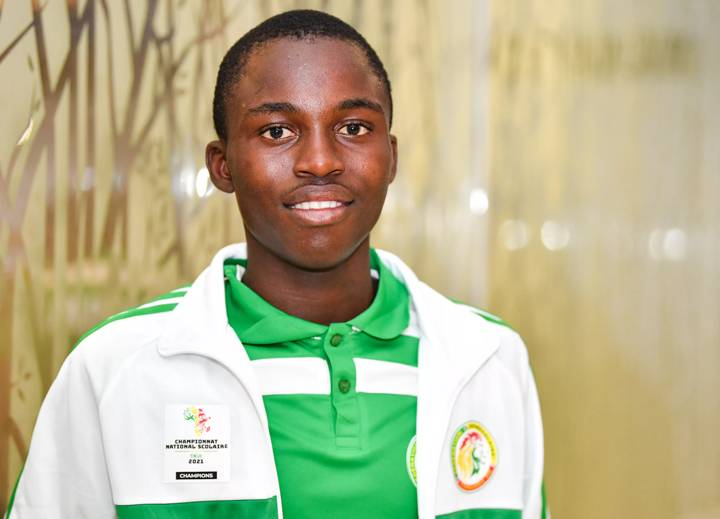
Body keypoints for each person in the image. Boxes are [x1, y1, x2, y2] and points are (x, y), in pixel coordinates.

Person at [6, 9, 548, 519]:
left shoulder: (491, 360)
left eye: (354, 127)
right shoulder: (116, 369)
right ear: (223, 167)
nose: (320, 161)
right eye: (276, 131)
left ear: (392, 157)